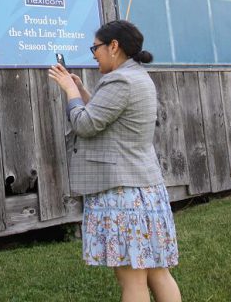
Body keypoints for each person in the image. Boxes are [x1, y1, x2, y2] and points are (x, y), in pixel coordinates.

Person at [49, 20, 181, 302]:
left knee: (131, 277)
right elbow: (106, 116)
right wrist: (82, 91)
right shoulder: (137, 76)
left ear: (113, 46)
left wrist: (69, 92)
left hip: (124, 194)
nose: (93, 53)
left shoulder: (120, 79)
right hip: (144, 189)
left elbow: (85, 124)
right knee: (157, 271)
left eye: (95, 47)